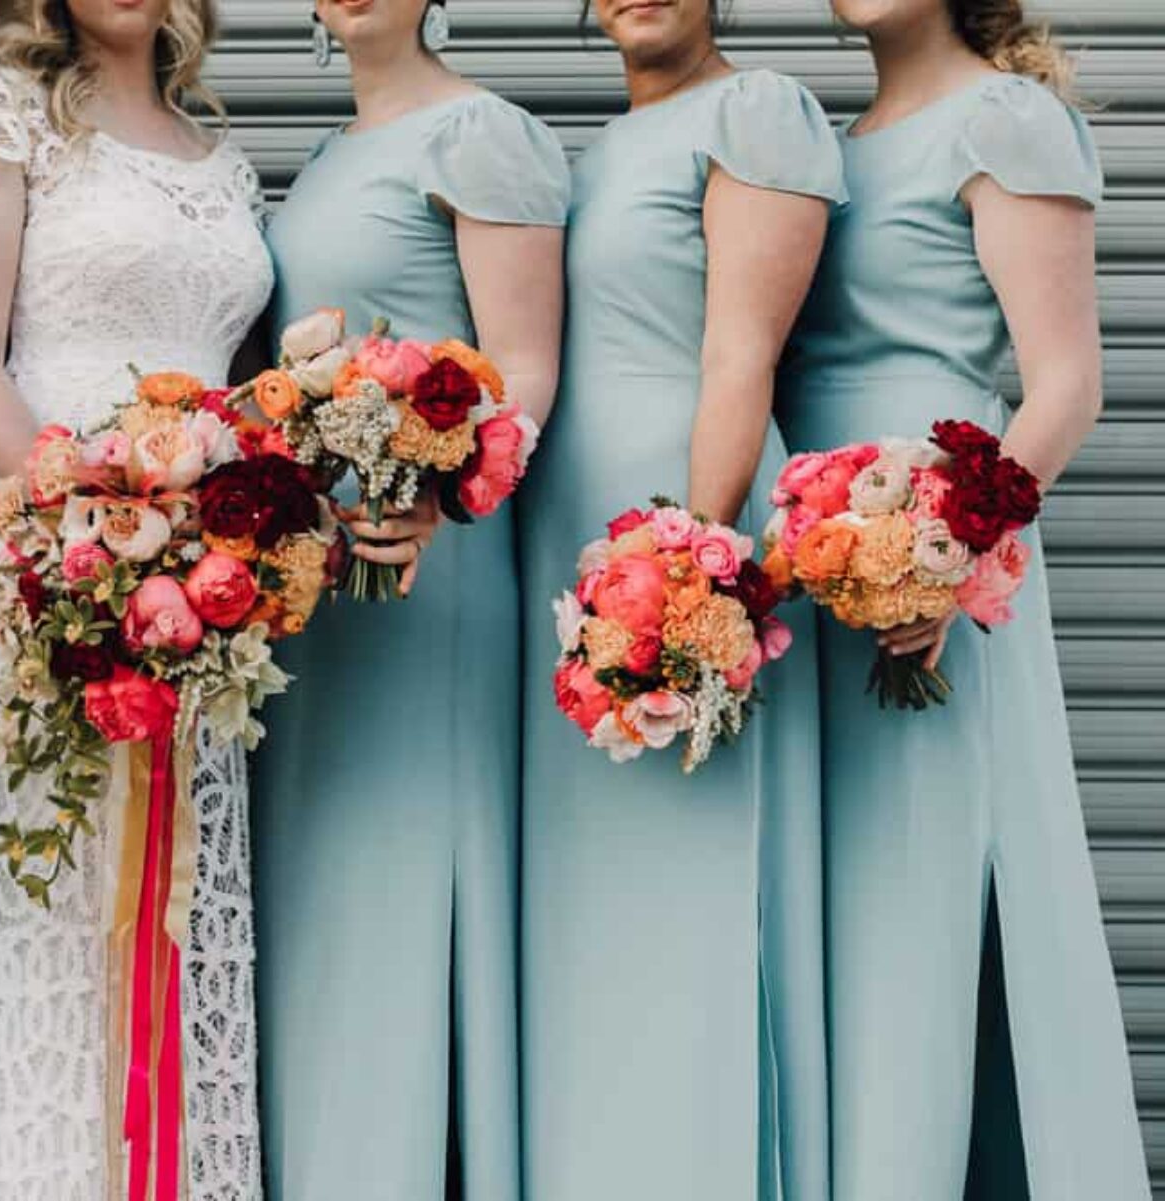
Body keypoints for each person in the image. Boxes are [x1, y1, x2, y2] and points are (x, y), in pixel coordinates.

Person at [777, 0, 1149, 1194]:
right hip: (817, 557)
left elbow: (1065, 385)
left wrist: (951, 555)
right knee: (839, 898)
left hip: (934, 555)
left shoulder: (1005, 119)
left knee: (923, 889)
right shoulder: (832, 143)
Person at [0, 1, 273, 1195]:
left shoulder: (224, 162)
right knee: (50, 893)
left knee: (175, 889)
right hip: (44, 551)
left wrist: (202, 547)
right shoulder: (5, 120)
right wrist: (93, 526)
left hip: (199, 581)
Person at [516, 1, 843, 1196]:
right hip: (575, 542)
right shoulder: (594, 156)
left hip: (672, 529)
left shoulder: (758, 113)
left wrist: (694, 568)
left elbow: (741, 353)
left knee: (693, 889)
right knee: (593, 913)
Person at [251, 2, 569, 1196]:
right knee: (326, 903)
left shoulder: (483, 134)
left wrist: (447, 493)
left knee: (408, 884)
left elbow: (527, 364)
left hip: (434, 562)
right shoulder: (330, 156)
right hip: (327, 593)